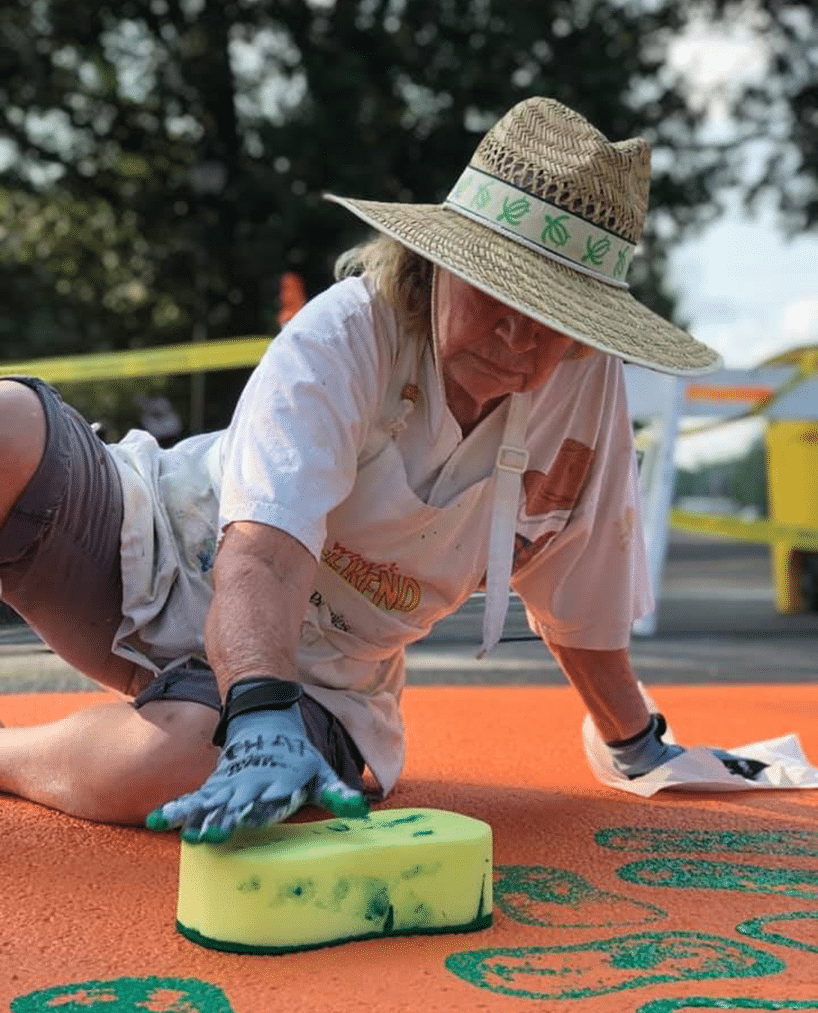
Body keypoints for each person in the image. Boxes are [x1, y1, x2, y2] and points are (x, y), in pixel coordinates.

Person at [0, 97, 762, 845]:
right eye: (499, 287)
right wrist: (257, 710)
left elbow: (581, 584)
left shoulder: (584, 390)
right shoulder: (346, 332)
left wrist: (635, 744)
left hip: (319, 671)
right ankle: (238, 714)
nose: (517, 333)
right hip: (153, 549)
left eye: (556, 315)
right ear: (435, 267)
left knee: (178, 764)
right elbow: (264, 550)